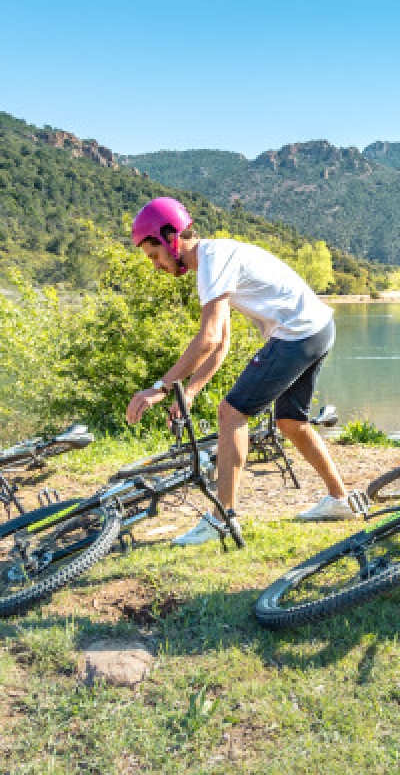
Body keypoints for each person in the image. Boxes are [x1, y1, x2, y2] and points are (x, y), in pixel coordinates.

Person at [124, 197, 354, 546]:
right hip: (317, 329)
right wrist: (188, 392)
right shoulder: (215, 259)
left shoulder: (212, 260)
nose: (156, 266)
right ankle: (340, 501)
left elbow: (209, 336)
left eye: (154, 255)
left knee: (231, 414)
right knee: (292, 422)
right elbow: (221, 343)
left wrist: (161, 386)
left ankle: (222, 516)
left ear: (171, 238)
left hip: (297, 333)